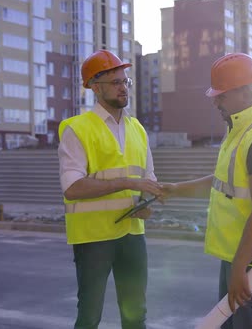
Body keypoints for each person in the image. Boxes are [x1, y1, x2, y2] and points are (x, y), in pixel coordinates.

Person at [162, 53, 252, 329]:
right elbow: (223, 182)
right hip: (240, 254)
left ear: (245, 92)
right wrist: (175, 190)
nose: (215, 101)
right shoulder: (240, 128)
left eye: (221, 95)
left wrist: (239, 269)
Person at [57, 49, 162, 329]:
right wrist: (128, 183)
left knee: (135, 315)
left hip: (132, 236)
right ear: (94, 86)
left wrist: (146, 203)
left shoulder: (138, 129)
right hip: (93, 239)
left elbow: (147, 181)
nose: (122, 87)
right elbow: (73, 187)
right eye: (115, 81)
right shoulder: (76, 129)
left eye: (125, 81)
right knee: (90, 317)